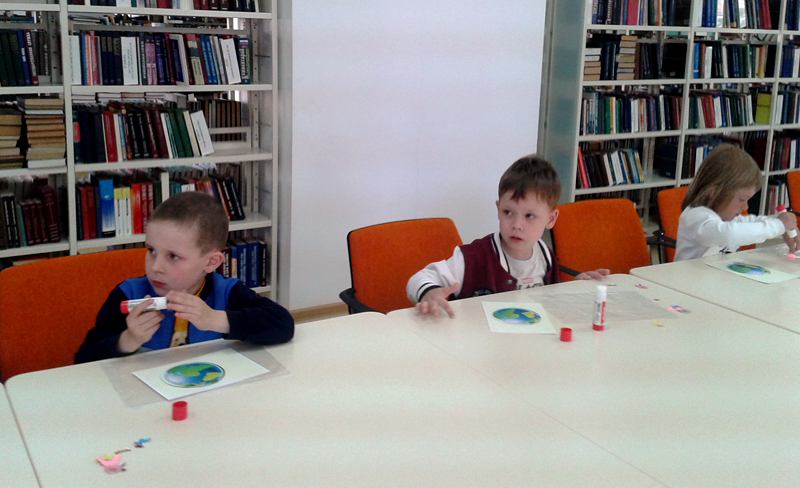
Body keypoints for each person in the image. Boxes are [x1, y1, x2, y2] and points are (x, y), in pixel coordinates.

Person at [75, 191, 294, 363]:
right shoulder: (128, 294)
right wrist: (128, 340)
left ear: (211, 262)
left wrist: (213, 319)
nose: (156, 267)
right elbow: (83, 359)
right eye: (151, 250)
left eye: (173, 256)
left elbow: (283, 325)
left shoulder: (226, 292)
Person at [406, 154, 609, 318]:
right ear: (498, 209)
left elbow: (551, 305)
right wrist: (429, 292)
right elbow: (419, 278)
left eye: (529, 216)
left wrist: (575, 287)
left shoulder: (546, 257)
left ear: (550, 219)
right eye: (508, 212)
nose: (517, 225)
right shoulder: (472, 258)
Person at [675, 144, 800, 262]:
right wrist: (778, 226)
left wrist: (783, 226)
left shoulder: (725, 216)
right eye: (741, 200)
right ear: (714, 192)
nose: (745, 207)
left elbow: (752, 222)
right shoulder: (696, 216)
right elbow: (728, 234)